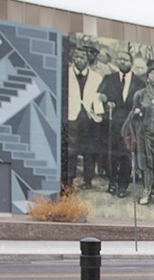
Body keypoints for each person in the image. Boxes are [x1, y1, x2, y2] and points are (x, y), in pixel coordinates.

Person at [98, 51, 146, 198]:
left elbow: (143, 102)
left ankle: (122, 186)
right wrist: (105, 100)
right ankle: (111, 182)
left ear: (130, 63)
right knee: (112, 154)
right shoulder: (109, 78)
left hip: (130, 123)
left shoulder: (139, 82)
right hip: (113, 122)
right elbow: (99, 96)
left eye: (125, 59)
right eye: (120, 59)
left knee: (127, 154)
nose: (122, 61)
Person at [124, 66, 154, 205]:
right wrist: (136, 113)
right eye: (151, 75)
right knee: (146, 164)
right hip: (144, 134)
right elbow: (132, 114)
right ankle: (146, 191)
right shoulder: (140, 94)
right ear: (147, 78)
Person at [65, 47, 104, 192]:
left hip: (89, 117)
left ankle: (88, 180)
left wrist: (98, 111)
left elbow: (99, 97)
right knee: (71, 150)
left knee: (90, 150)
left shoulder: (96, 77)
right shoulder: (66, 74)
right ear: (73, 58)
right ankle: (69, 180)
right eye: (77, 57)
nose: (80, 59)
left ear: (88, 59)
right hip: (72, 115)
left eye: (83, 57)